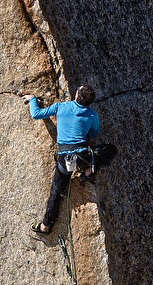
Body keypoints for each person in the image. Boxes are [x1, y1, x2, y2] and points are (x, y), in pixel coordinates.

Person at [23, 84, 99, 236]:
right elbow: (94, 133)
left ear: (76, 96)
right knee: (107, 151)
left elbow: (36, 114)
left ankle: (45, 226)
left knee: (56, 191)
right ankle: (88, 172)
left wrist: (32, 99)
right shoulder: (92, 115)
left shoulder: (61, 107)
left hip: (67, 158)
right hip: (83, 156)